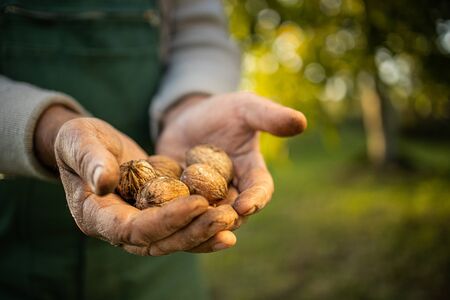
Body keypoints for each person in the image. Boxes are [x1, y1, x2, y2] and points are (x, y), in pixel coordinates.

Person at [0, 0, 306, 299]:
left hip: (162, 265)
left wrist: (190, 103)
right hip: (12, 247)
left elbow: (201, 35)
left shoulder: (177, 177)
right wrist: (46, 128)